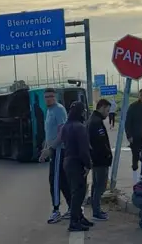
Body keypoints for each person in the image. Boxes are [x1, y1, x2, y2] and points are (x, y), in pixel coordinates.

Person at [38, 88, 71, 224]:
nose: (48, 99)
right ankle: (73, 207)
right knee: (62, 181)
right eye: (46, 97)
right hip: (52, 150)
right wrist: (45, 149)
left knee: (55, 180)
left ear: (55, 97)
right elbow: (49, 133)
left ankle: (56, 210)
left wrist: (51, 148)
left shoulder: (59, 110)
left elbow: (62, 132)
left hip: (59, 150)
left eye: (50, 96)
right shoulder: (49, 111)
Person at [62, 101, 94, 231]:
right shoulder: (80, 127)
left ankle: (79, 218)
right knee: (79, 193)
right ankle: (74, 221)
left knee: (75, 191)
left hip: (67, 161)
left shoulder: (66, 126)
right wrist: (88, 164)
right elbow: (84, 149)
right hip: (77, 162)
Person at [87, 99, 113, 221]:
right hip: (100, 159)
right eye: (107, 110)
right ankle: (96, 212)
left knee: (96, 185)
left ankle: (96, 210)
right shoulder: (96, 122)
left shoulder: (93, 120)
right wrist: (107, 155)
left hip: (95, 159)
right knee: (100, 186)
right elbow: (101, 143)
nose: (108, 114)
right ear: (101, 107)